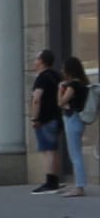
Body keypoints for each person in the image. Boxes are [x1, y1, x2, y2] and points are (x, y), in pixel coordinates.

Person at [33, 50, 65, 195]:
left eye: (36, 58)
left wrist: (35, 118)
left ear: (42, 61)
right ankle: (55, 180)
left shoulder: (41, 78)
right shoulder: (57, 76)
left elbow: (36, 99)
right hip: (57, 117)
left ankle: (50, 183)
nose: (35, 61)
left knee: (47, 151)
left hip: (45, 119)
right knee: (53, 149)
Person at [60, 56, 92, 198]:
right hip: (79, 119)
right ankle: (79, 185)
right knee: (76, 153)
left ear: (69, 69)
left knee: (75, 154)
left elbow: (61, 102)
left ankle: (79, 187)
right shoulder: (84, 84)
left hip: (72, 118)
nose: (62, 70)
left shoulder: (72, 85)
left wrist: (59, 88)